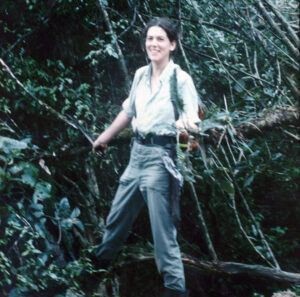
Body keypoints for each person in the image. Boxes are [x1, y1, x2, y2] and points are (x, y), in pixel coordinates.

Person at [92, 17, 201, 297]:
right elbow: (129, 112)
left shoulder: (181, 79)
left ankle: (175, 289)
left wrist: (186, 129)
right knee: (117, 218)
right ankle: (94, 270)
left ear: (172, 45)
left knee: (162, 232)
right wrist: (105, 137)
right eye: (150, 38)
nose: (153, 43)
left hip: (161, 158)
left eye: (160, 39)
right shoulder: (141, 74)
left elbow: (193, 120)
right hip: (136, 155)